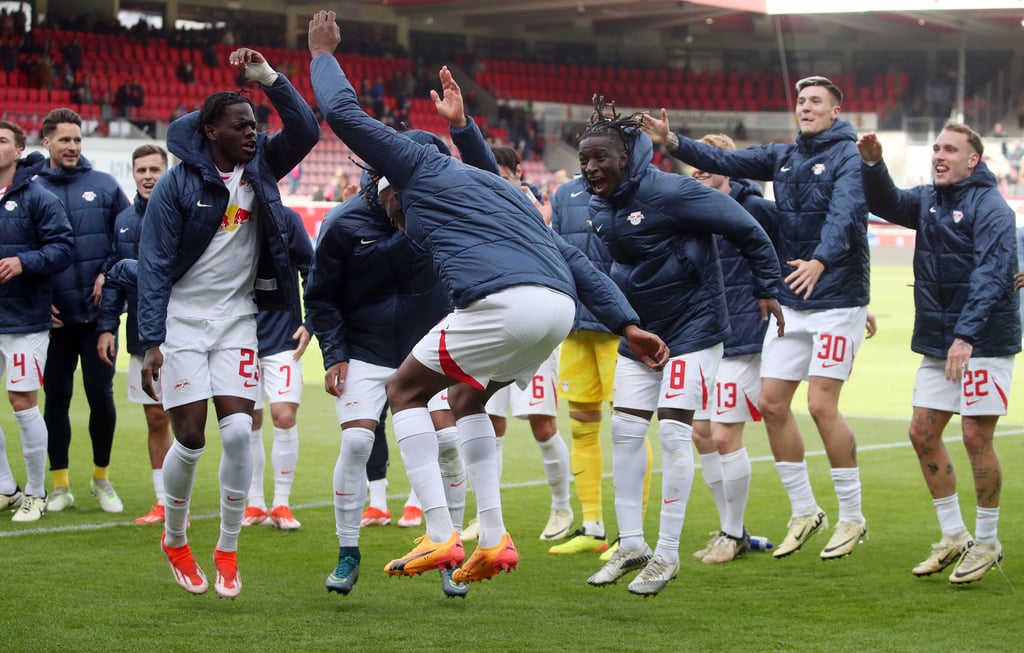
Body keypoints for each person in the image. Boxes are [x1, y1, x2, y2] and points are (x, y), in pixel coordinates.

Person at [308, 9, 668, 586]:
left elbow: (341, 114)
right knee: (466, 401)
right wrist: (627, 324)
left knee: (404, 391)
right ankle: (495, 539)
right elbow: (574, 261)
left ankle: (440, 531)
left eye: (383, 193)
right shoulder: (499, 192)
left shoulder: (415, 167)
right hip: (557, 313)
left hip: (503, 304)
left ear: (392, 178)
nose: (386, 209)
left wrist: (323, 54)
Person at [644, 75, 872, 561]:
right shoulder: (782, 156)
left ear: (835, 111)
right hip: (793, 299)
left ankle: (852, 516)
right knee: (770, 404)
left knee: (820, 405)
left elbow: (846, 215)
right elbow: (724, 160)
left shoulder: (847, 157)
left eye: (816, 101)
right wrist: (672, 142)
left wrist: (822, 261)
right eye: (801, 100)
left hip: (834, 297)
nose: (806, 107)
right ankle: (805, 511)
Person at [304, 63, 499, 597]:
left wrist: (463, 128)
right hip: (364, 351)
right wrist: (334, 353)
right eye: (406, 197)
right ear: (382, 183)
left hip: (426, 350)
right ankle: (348, 551)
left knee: (449, 444)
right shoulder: (341, 224)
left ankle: (447, 550)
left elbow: (492, 188)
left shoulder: (437, 211)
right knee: (355, 444)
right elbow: (321, 296)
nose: (414, 207)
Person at [137, 47, 320, 599]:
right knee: (191, 437)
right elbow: (155, 265)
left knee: (240, 432)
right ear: (210, 131)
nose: (252, 133)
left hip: (239, 319)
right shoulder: (176, 186)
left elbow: (306, 130)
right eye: (240, 125)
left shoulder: (260, 167)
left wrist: (268, 78)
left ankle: (227, 548)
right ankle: (175, 539)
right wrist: (151, 340)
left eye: (255, 124)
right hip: (182, 323)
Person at [580, 100, 782, 597]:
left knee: (674, 432)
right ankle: (632, 544)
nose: (590, 167)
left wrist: (767, 286)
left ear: (625, 157)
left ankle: (667, 554)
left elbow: (748, 228)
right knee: (625, 430)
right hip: (641, 332)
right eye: (584, 159)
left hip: (693, 329)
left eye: (600, 158)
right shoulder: (597, 205)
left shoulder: (672, 190)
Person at [859, 123, 1020, 585]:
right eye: (935, 148)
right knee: (922, 432)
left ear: (973, 159)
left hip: (984, 341)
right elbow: (888, 203)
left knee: (975, 436)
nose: (939, 155)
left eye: (950, 149)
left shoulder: (991, 207)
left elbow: (991, 275)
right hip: (939, 340)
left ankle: (987, 542)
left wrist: (966, 336)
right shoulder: (929, 199)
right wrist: (874, 165)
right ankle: (953, 535)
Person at [546, 172, 653, 559]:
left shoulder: (636, 189)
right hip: (577, 325)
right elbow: (555, 253)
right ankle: (592, 527)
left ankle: (631, 534)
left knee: (629, 427)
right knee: (581, 426)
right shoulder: (565, 193)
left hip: (620, 326)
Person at [685, 133, 778, 564]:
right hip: (704, 337)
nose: (700, 168)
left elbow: (787, 254)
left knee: (724, 435)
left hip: (744, 336)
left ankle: (732, 531)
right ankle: (730, 529)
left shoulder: (755, 208)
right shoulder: (689, 210)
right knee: (701, 434)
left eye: (711, 160)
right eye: (697, 161)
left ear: (729, 167)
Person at [32, 108, 130, 514]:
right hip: (51, 320)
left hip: (97, 318)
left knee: (100, 396)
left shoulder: (105, 185)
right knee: (55, 398)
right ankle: (60, 486)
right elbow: (22, 248)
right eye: (64, 140)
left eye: (77, 140)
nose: (72, 146)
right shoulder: (32, 188)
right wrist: (39, 297)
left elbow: (125, 240)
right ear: (47, 143)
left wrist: (107, 272)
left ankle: (101, 478)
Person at [0, 120, 73, 523]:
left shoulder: (38, 196)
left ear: (18, 150)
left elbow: (62, 248)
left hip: (25, 318)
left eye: (1, 141)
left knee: (22, 402)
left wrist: (23, 262)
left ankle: (35, 492)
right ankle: (5, 487)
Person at [96, 144, 172, 525]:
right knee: (156, 419)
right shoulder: (124, 220)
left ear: (166, 171)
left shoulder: (182, 212)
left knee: (191, 421)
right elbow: (115, 277)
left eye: (154, 169)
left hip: (185, 333)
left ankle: (184, 499)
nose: (147, 176)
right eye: (141, 170)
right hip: (143, 337)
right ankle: (164, 501)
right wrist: (106, 326)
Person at [241, 206, 313, 531]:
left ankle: (281, 503)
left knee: (284, 416)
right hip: (240, 336)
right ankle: (255, 502)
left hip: (284, 337)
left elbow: (311, 270)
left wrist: (311, 322)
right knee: (248, 421)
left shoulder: (288, 220)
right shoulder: (232, 217)